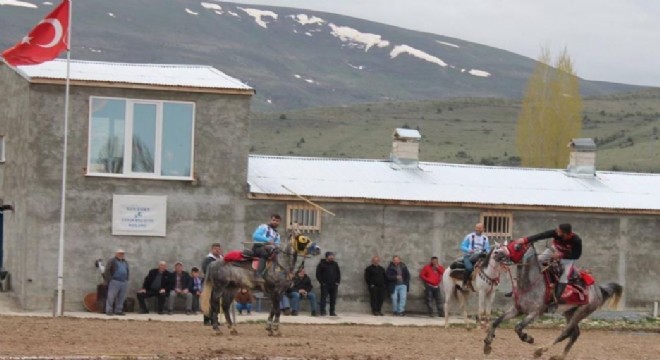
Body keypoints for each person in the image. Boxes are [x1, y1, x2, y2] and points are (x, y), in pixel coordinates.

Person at [516, 223, 583, 310]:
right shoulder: (555, 233)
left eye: (558, 231)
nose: (556, 231)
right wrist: (525, 240)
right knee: (538, 261)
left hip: (567, 258)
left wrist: (561, 255)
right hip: (554, 251)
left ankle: (555, 302)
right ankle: (522, 286)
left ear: (565, 233)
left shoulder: (576, 240)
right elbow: (542, 235)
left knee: (564, 277)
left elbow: (576, 255)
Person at [252, 214, 282, 283]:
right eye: (273, 220)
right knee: (264, 253)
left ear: (279, 222)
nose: (275, 222)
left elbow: (277, 244)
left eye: (277, 221)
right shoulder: (264, 227)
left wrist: (276, 247)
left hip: (270, 249)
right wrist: (267, 240)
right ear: (270, 220)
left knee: (277, 255)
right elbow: (255, 236)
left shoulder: (277, 234)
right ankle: (257, 275)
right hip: (258, 247)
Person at [460, 223, 490, 289]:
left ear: (483, 229)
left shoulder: (485, 238)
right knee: (469, 268)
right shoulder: (469, 236)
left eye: (480, 228)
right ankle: (464, 283)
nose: (478, 229)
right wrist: (469, 250)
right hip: (469, 256)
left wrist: (486, 251)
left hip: (481, 257)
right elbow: (462, 246)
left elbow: (488, 248)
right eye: (477, 228)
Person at [103, 249, 129, 316]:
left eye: (123, 253)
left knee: (121, 297)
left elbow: (127, 270)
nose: (121, 255)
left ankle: (118, 310)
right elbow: (107, 270)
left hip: (123, 281)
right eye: (120, 253)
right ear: (116, 254)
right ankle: (109, 310)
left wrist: (127, 279)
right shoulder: (112, 261)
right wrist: (110, 279)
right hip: (114, 281)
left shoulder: (125, 262)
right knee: (111, 296)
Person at [201, 243, 222, 325]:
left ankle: (214, 320)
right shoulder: (208, 259)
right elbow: (205, 270)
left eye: (219, 249)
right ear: (212, 249)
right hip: (209, 282)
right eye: (216, 249)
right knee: (208, 301)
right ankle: (206, 320)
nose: (217, 251)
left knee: (216, 301)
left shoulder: (221, 258)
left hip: (219, 283)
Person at [316, 251, 340, 316]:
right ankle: (323, 311)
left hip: (333, 285)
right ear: (327, 256)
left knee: (333, 299)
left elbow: (338, 273)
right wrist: (322, 282)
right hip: (325, 284)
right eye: (330, 256)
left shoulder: (335, 264)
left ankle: (332, 312)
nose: (332, 257)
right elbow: (318, 274)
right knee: (323, 298)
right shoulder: (321, 264)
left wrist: (337, 282)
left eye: (333, 256)